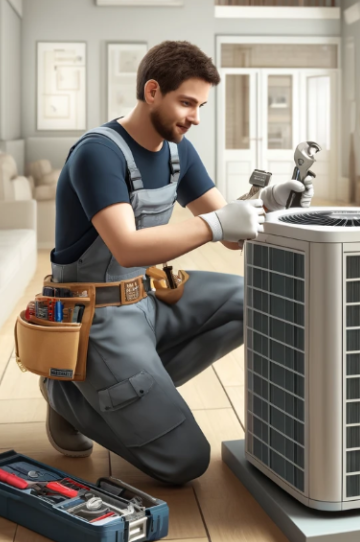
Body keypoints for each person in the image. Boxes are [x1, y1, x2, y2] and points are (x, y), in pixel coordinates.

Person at [42, 40, 313, 485]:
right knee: (186, 462)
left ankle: (129, 388)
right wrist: (219, 224)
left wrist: (269, 204)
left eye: (201, 105)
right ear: (152, 92)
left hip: (148, 298)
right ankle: (65, 392)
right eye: (187, 102)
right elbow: (128, 247)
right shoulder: (99, 153)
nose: (195, 117)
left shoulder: (176, 151)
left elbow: (230, 234)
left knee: (259, 299)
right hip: (98, 316)